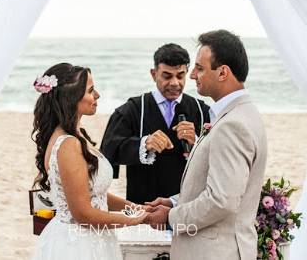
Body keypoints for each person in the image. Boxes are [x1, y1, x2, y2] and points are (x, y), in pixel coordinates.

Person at [145, 30, 268, 260]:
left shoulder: (233, 124)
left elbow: (221, 201)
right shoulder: (239, 114)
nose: (192, 75)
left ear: (222, 72)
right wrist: (175, 201)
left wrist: (170, 217)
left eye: (200, 68)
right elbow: (221, 187)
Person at [30, 63, 150, 260]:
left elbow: (92, 191)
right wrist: (133, 220)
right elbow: (83, 214)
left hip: (93, 238)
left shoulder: (76, 135)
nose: (98, 95)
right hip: (77, 245)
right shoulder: (68, 144)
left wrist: (134, 207)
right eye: (91, 90)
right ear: (72, 98)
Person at [101, 44, 211, 205]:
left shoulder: (202, 111)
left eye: (180, 76)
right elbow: (109, 151)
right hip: (142, 205)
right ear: (154, 74)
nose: (175, 82)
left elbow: (218, 158)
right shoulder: (133, 109)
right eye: (167, 76)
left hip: (187, 207)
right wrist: (143, 144)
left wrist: (197, 143)